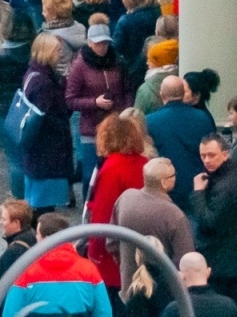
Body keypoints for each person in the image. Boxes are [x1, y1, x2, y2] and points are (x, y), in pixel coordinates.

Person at [2, 212, 112, 317]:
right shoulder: (89, 270)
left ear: (46, 239)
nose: (36, 237)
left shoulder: (26, 272)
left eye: (37, 234)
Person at [83, 112, 150, 295]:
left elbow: (103, 215)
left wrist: (95, 252)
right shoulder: (145, 163)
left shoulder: (112, 168)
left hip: (115, 253)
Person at [66, 21, 133, 186]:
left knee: (116, 172)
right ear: (89, 43)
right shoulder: (79, 66)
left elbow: (128, 89)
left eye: (105, 43)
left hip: (116, 125)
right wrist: (94, 102)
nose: (102, 47)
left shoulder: (118, 61)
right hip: (91, 128)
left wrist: (125, 110)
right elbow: (70, 99)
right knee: (91, 176)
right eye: (98, 43)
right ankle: (89, 208)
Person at [113, 156, 197, 288]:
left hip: (130, 286)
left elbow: (112, 242)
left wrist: (126, 263)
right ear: (164, 182)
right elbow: (184, 260)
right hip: (162, 294)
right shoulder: (174, 215)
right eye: (173, 175)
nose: (175, 177)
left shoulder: (125, 198)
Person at [193, 134, 237, 306]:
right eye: (203, 156)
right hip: (228, 260)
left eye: (212, 155)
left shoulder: (227, 184)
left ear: (225, 154)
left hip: (223, 264)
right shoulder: (227, 177)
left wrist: (198, 193)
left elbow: (209, 222)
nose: (206, 160)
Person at [20, 33, 75, 212]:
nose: (60, 54)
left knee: (36, 203)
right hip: (48, 153)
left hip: (37, 155)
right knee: (44, 208)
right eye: (57, 50)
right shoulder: (45, 83)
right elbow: (48, 116)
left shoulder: (32, 74)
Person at [0, 9, 35, 198]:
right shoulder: (35, 52)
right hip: (32, 108)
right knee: (30, 156)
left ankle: (19, 199)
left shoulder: (1, 55)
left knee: (15, 160)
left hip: (7, 109)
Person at [147, 76, 213, 209]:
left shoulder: (150, 121)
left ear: (162, 94)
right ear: (183, 94)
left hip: (166, 189)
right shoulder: (203, 118)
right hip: (197, 187)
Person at [113, 0, 161, 85]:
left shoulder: (125, 21)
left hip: (133, 68)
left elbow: (116, 47)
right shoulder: (157, 13)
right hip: (156, 62)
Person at [38, 0, 86, 72]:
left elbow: (62, 71)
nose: (42, 13)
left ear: (54, 15)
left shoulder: (56, 39)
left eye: (45, 11)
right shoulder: (78, 27)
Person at [133, 39, 179, 116]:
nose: (147, 63)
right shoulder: (182, 80)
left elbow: (137, 120)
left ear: (159, 63)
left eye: (150, 60)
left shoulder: (145, 90)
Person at [0, 199, 38, 276]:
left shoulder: (14, 250)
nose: (0, 222)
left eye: (4, 219)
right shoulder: (34, 235)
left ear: (16, 222)